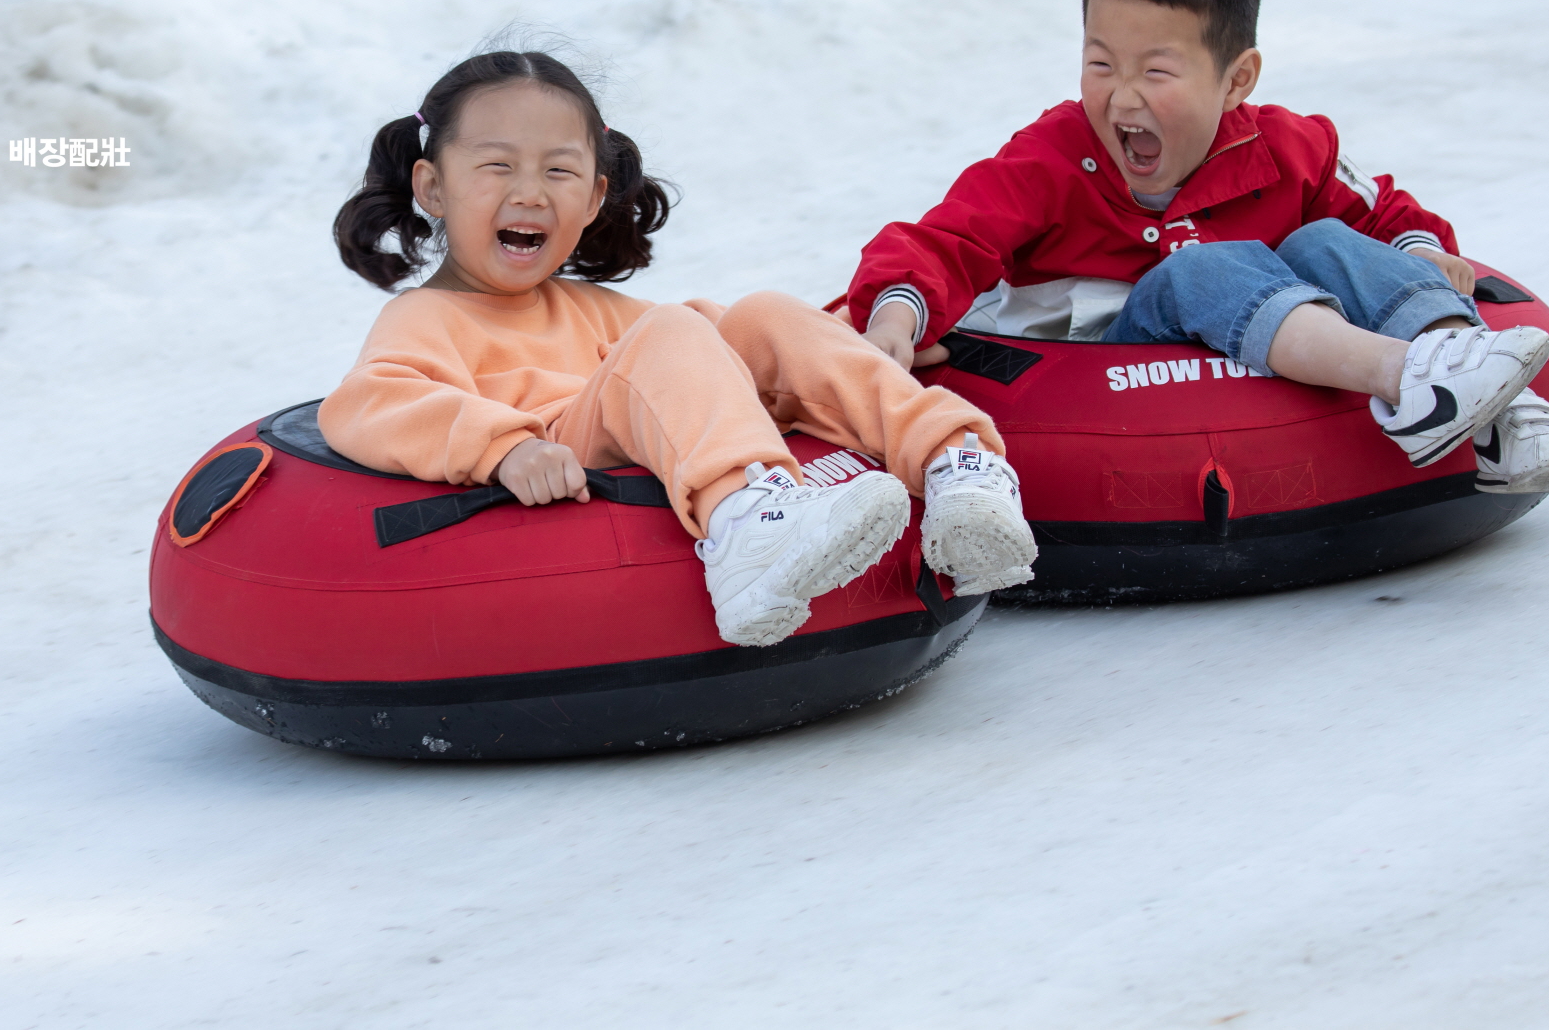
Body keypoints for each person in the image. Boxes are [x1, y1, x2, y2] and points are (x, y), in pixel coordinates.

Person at [848, 0, 1549, 495]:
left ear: (1236, 80)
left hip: (1265, 339)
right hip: (1121, 377)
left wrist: (1426, 252)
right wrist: (894, 313)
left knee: (1325, 241)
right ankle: (1406, 381)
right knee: (1202, 265)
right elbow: (943, 240)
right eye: (1101, 63)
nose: (1122, 96)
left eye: (1157, 73)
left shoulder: (1288, 147)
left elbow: (1384, 214)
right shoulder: (1051, 159)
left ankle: (1495, 408)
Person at [319, 49, 1040, 648]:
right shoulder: (427, 316)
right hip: (558, 452)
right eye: (498, 167)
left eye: (559, 171)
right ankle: (749, 531)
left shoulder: (596, 307)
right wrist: (503, 449)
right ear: (433, 187)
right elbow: (369, 403)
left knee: (753, 314)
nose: (531, 193)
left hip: (634, 422)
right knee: (671, 330)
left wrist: (849, 344)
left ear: (596, 197)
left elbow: (716, 351)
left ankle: (953, 467)